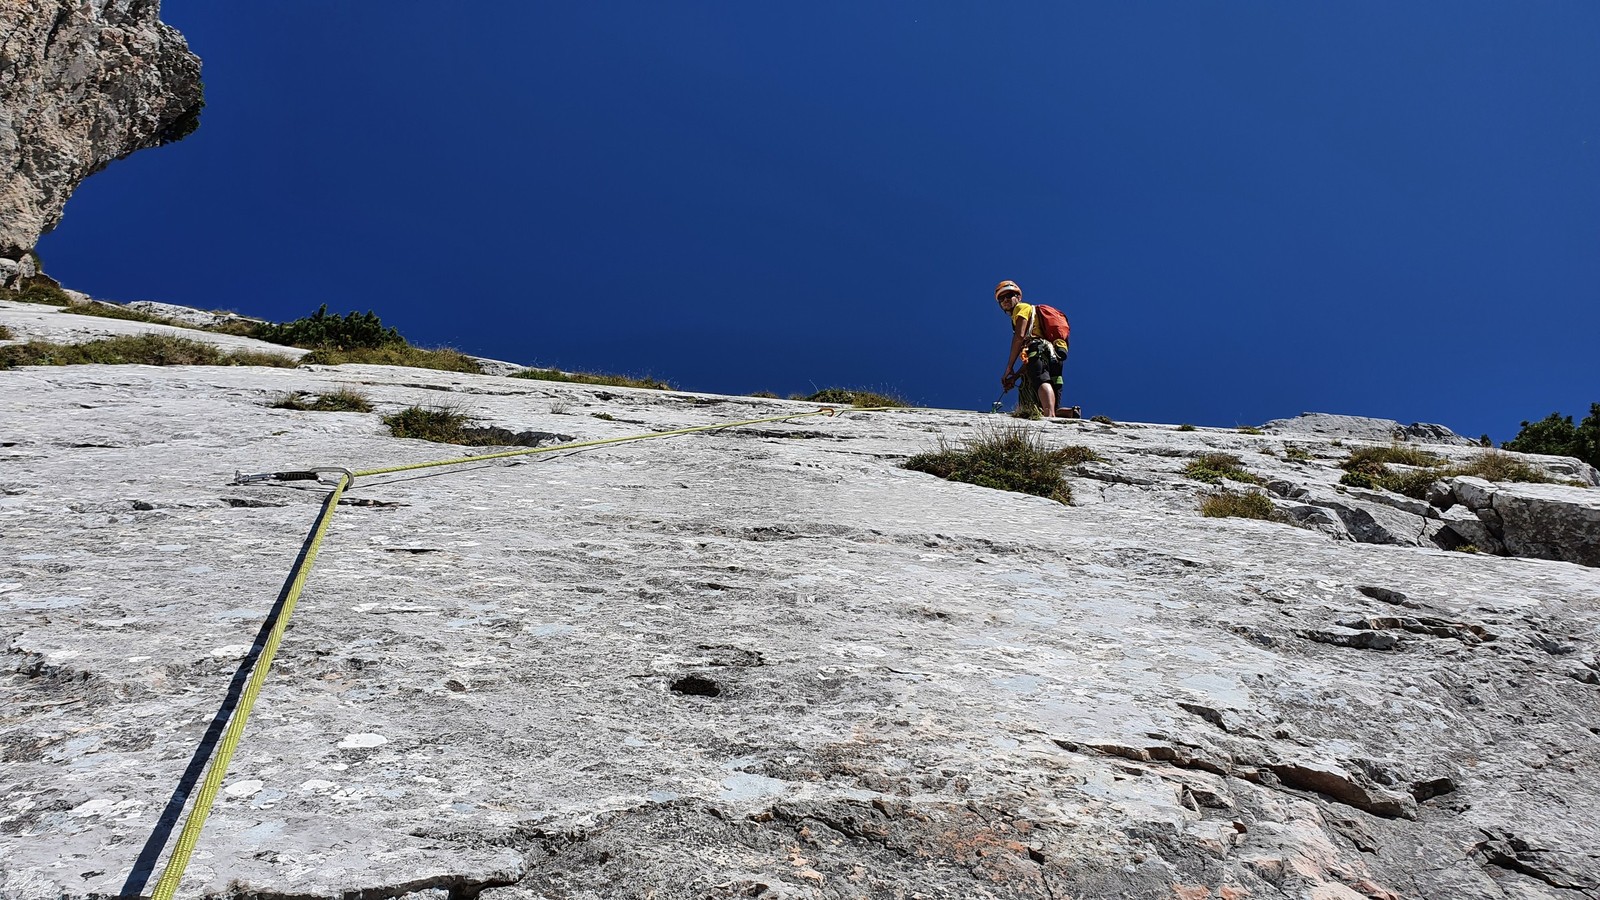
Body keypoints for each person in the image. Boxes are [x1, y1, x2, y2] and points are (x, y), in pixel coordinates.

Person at [995, 280, 1074, 418]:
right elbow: (1029, 364)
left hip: (1037, 348)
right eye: (1001, 298)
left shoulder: (1021, 308)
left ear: (1018, 297)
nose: (1005, 300)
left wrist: (1009, 366)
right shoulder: (1033, 316)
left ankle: (1049, 416)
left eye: (1009, 296)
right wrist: (1015, 377)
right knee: (1050, 381)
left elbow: (1019, 336)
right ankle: (1063, 412)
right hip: (1052, 353)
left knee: (1040, 380)